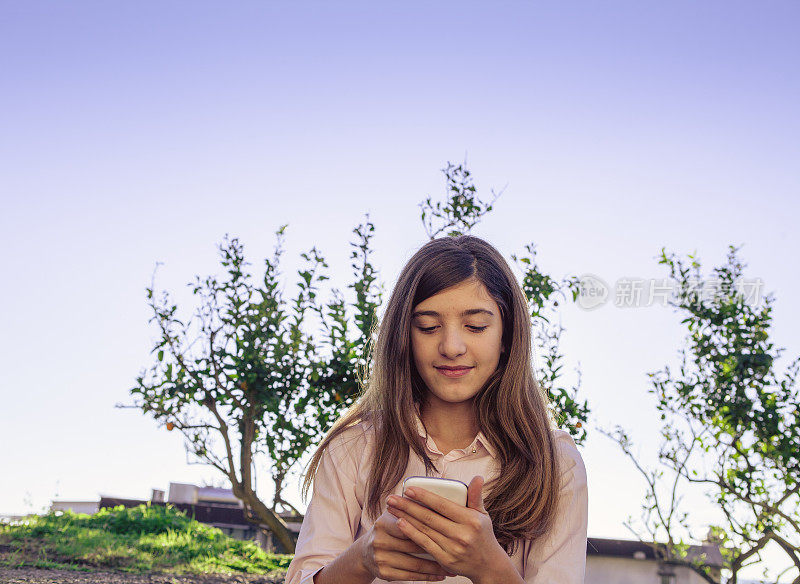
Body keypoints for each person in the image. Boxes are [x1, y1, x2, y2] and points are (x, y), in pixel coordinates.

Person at [285, 235, 588, 584]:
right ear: (404, 335)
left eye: (475, 326)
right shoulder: (355, 446)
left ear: (507, 335)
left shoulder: (554, 462)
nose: (451, 346)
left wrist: (490, 567)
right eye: (428, 326)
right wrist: (362, 558)